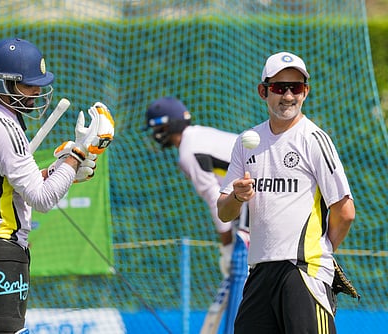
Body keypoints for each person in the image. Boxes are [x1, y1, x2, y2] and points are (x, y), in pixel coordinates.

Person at [0, 38, 114, 334]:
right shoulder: (2, 125)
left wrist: (59, 169)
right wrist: (76, 156)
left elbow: (13, 185)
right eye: (29, 84)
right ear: (4, 84)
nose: (37, 91)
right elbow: (42, 199)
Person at [217, 51, 355, 333]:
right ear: (263, 91)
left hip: (303, 271)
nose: (289, 96)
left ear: (306, 91)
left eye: (297, 87)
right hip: (259, 273)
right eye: (280, 88)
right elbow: (223, 211)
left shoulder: (314, 139)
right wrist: (236, 196)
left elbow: (345, 211)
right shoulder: (246, 142)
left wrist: (321, 253)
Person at [145, 97, 249, 331]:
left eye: (157, 128)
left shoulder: (188, 152)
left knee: (240, 271)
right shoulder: (199, 135)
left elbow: (216, 200)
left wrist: (227, 247)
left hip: (253, 200)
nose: (156, 134)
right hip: (253, 198)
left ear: (167, 125)